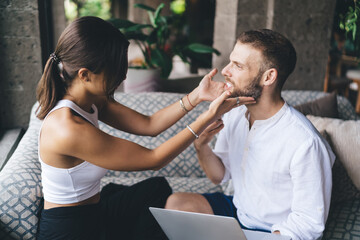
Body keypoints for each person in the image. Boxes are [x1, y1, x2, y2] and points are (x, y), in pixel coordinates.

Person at [35, 16, 256, 240]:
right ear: (85, 75)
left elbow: (149, 125)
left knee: (156, 190)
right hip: (71, 230)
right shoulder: (67, 128)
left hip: (95, 211)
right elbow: (154, 159)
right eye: (115, 69)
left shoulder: (90, 99)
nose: (122, 76)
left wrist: (197, 96)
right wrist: (210, 115)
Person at [165, 29, 335, 240]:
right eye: (230, 62)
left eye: (238, 66)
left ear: (268, 77)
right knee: (176, 204)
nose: (225, 71)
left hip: (272, 231)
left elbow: (309, 223)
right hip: (238, 212)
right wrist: (201, 145)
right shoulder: (234, 114)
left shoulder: (305, 142)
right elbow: (219, 176)